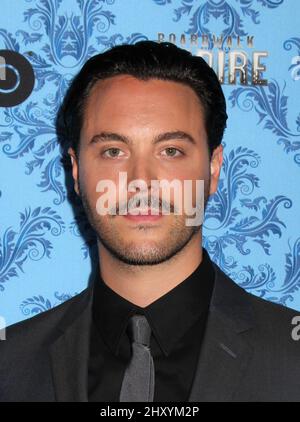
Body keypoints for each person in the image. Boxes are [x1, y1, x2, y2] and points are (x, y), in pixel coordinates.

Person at [1, 41, 300, 402]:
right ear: (77, 171)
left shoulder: (290, 358)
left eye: (170, 151)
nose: (141, 179)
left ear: (214, 168)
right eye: (114, 151)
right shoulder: (9, 364)